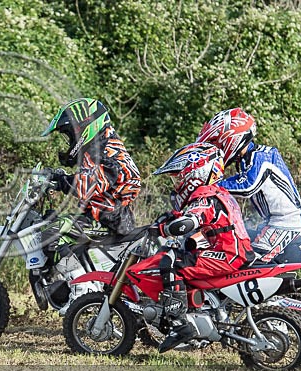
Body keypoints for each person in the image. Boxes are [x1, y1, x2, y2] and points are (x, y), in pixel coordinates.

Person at [148, 142, 254, 352]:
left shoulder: (205, 196)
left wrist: (166, 229)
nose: (177, 182)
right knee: (186, 252)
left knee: (171, 261)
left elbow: (192, 220)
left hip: (228, 254)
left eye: (179, 176)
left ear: (196, 172)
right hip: (234, 250)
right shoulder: (218, 192)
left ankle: (180, 324)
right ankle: (201, 311)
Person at [40, 98, 142, 313]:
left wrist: (61, 181)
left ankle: (81, 289)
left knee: (52, 232)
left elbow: (87, 186)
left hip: (110, 220)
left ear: (84, 127)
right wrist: (63, 177)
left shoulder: (102, 150)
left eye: (70, 134)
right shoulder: (103, 145)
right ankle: (66, 282)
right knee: (53, 220)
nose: (69, 142)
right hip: (108, 215)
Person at [196, 108, 301, 262]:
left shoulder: (261, 157)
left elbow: (247, 186)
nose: (218, 149)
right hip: (272, 222)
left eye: (218, 143)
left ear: (232, 139)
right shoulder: (247, 159)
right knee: (228, 245)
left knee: (245, 262)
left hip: (287, 222)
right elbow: (237, 182)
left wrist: (210, 188)